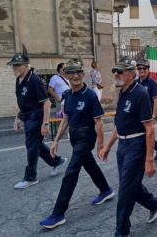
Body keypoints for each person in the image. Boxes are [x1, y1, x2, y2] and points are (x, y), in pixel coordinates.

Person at [40, 58, 114, 229]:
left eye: (78, 73)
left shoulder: (90, 95)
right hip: (74, 137)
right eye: (71, 73)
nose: (75, 76)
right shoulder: (67, 95)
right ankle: (106, 190)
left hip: (86, 137)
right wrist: (55, 141)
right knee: (90, 165)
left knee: (71, 172)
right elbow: (65, 119)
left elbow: (99, 123)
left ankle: (58, 214)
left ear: (83, 74)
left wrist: (101, 145)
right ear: (66, 75)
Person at [99, 60, 157, 237]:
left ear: (131, 73)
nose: (117, 74)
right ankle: (154, 204)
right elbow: (119, 124)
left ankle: (122, 231)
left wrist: (149, 160)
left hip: (136, 145)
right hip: (123, 145)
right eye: (115, 71)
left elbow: (150, 129)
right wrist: (107, 146)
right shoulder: (123, 93)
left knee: (125, 190)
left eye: (120, 71)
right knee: (130, 185)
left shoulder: (140, 94)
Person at [9, 46, 66, 189]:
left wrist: (45, 123)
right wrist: (17, 118)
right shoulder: (19, 80)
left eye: (17, 65)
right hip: (27, 116)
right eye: (13, 65)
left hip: (36, 116)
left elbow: (46, 102)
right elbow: (21, 102)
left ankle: (30, 177)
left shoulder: (34, 80)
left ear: (25, 65)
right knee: (35, 144)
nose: (14, 68)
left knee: (31, 147)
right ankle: (57, 161)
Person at [136, 59, 157, 160]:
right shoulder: (135, 82)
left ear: (148, 70)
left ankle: (147, 155)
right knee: (143, 134)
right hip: (138, 114)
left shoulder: (152, 83)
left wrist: (154, 116)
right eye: (139, 68)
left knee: (146, 134)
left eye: (144, 68)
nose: (142, 70)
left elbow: (156, 100)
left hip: (148, 114)